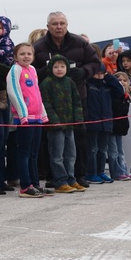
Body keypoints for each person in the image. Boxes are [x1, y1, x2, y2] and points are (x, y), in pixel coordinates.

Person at [31, 12, 101, 187]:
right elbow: (30, 69)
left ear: (67, 24)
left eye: (62, 23)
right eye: (55, 24)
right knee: (52, 139)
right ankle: (53, 177)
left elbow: (95, 62)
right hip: (50, 101)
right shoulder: (38, 47)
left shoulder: (80, 43)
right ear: (48, 26)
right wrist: (45, 73)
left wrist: (84, 72)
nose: (59, 27)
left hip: (76, 97)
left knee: (79, 136)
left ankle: (78, 175)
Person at [7, 43, 49, 197]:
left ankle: (35, 183)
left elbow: (37, 93)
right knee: (24, 152)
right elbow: (14, 92)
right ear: (16, 56)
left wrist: (42, 114)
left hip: (36, 118)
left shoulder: (32, 70)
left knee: (34, 153)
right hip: (25, 118)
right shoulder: (15, 70)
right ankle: (25, 185)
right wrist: (23, 114)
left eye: (29, 54)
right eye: (22, 54)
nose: (26, 56)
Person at [40, 56, 85, 193]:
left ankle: (71, 179)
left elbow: (77, 101)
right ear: (50, 68)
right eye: (56, 67)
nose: (59, 69)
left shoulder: (70, 82)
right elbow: (45, 104)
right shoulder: (46, 83)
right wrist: (54, 121)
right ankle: (60, 181)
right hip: (56, 127)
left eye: (62, 67)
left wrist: (78, 119)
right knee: (57, 155)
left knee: (71, 154)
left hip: (69, 125)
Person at [83, 69, 125, 183]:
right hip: (93, 121)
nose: (99, 76)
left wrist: (109, 76)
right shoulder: (87, 85)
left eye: (102, 73)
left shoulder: (107, 86)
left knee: (102, 149)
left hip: (106, 122)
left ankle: (100, 172)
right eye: (97, 73)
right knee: (92, 149)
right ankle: (91, 173)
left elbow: (120, 91)